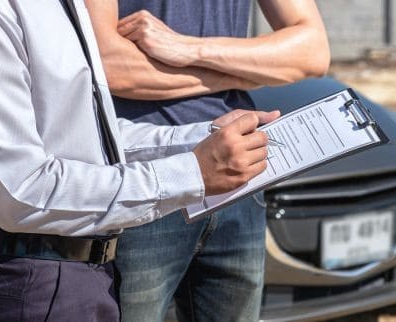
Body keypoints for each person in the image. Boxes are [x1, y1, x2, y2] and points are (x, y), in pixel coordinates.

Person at [0, 1, 279, 321]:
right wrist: (191, 173)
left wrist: (202, 138)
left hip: (89, 278)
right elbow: (20, 191)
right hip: (19, 279)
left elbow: (93, 138)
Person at [85, 0, 330, 321]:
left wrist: (191, 50)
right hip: (144, 177)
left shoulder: (191, 51)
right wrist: (243, 75)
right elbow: (108, 64)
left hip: (240, 175)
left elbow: (311, 52)